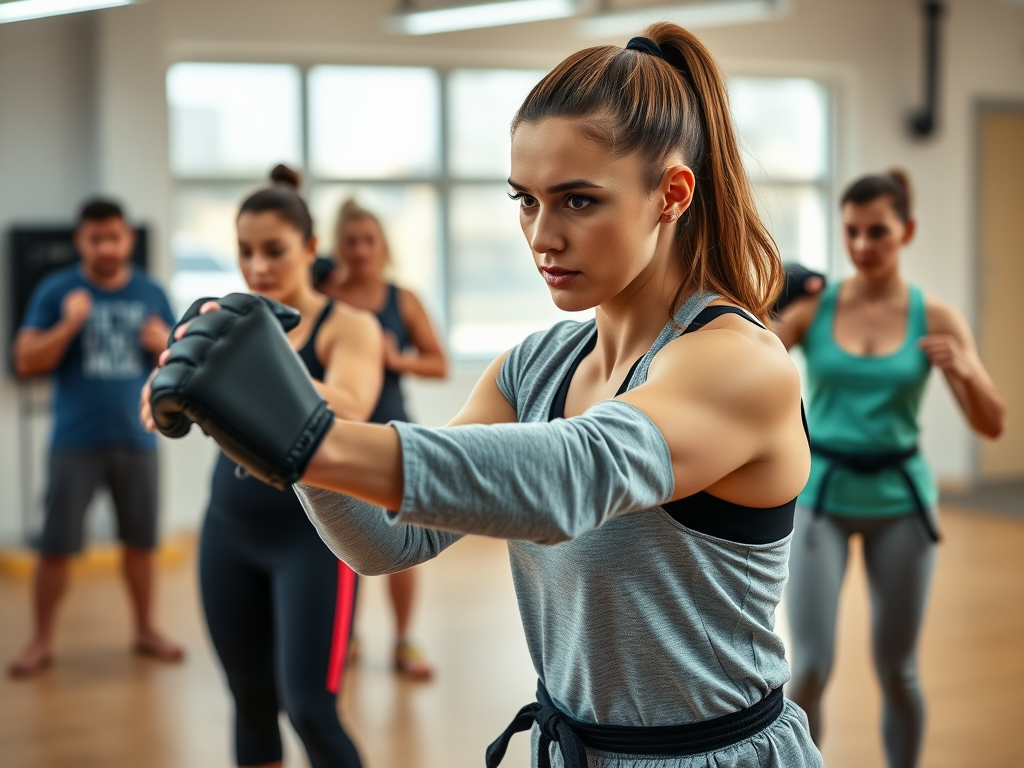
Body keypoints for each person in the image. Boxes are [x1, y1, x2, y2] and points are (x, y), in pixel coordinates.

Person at [144, 24, 822, 768]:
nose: (541, 236)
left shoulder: (740, 362)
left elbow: (570, 475)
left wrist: (307, 433)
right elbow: (388, 539)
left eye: (578, 201)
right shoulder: (533, 367)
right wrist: (277, 423)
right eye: (525, 201)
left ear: (672, 192)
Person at [773, 170, 1006, 768]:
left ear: (907, 231)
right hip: (820, 499)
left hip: (901, 506)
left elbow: (992, 423)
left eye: (877, 233)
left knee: (898, 670)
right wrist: (772, 295)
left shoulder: (938, 317)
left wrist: (965, 371)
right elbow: (744, 355)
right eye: (851, 232)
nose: (862, 247)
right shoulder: (815, 309)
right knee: (812, 669)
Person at [193, 165, 382, 768]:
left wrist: (253, 366)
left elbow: (350, 404)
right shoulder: (228, 321)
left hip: (313, 540)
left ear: (309, 249)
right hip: (228, 529)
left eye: (273, 251)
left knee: (310, 710)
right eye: (245, 252)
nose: (258, 267)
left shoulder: (346, 325)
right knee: (249, 701)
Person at [8, 198, 182, 678]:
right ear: (80, 241)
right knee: (55, 546)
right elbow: (25, 361)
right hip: (75, 442)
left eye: (115, 237)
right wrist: (69, 324)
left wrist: (164, 344)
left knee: (141, 543)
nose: (106, 247)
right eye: (95, 238)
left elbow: (182, 363)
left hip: (138, 437)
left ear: (128, 239)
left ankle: (146, 628)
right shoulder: (57, 289)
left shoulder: (150, 291)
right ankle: (40, 640)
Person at [314, 199, 448, 680]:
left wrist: (398, 360)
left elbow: (438, 363)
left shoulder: (402, 299)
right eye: (351, 241)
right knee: (345, 544)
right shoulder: (325, 300)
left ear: (382, 246)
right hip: (342, 435)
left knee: (401, 541)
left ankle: (404, 639)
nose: (361, 250)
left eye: (369, 240)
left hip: (394, 434)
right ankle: (346, 635)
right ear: (339, 247)